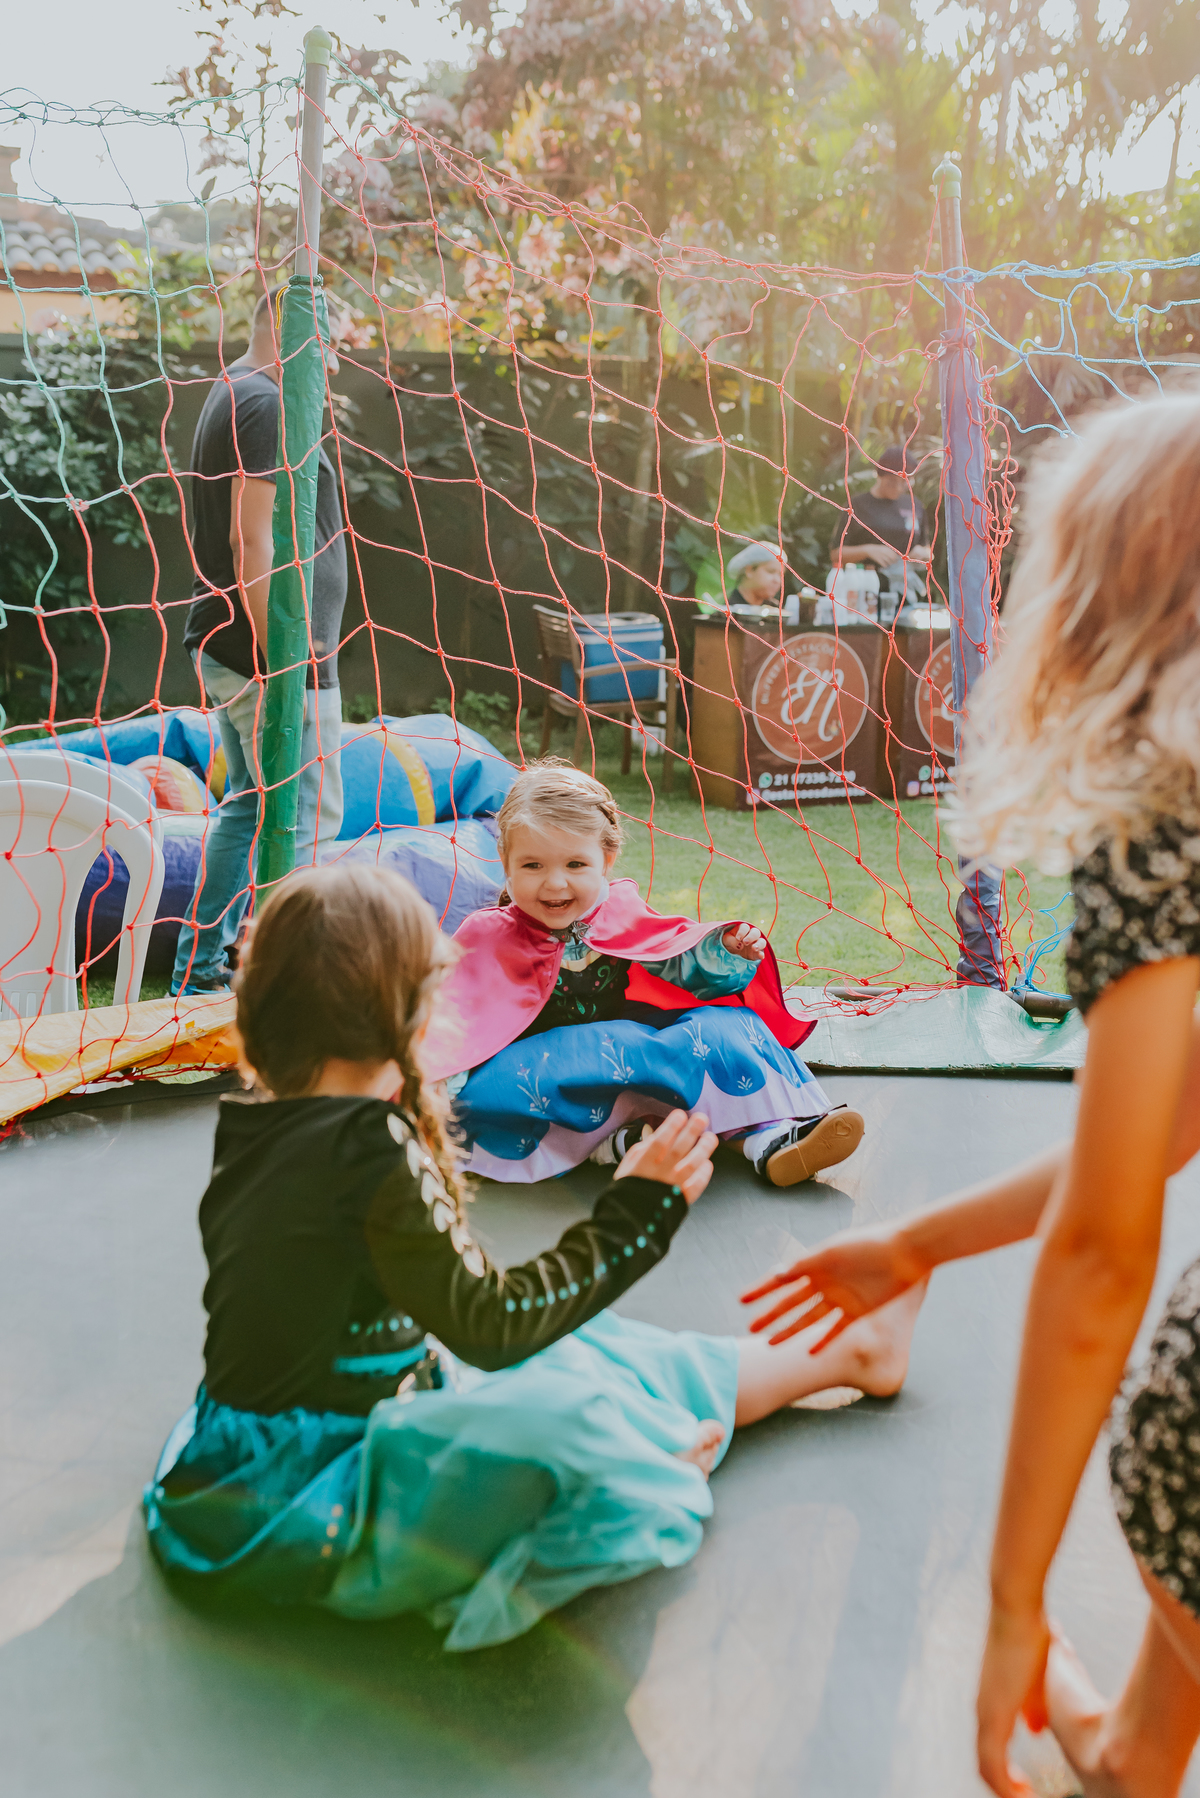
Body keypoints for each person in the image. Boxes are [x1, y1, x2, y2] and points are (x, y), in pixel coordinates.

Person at [744, 395, 1200, 1796]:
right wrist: (913, 1245)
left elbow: (1112, 1240)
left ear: (1094, 605)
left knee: (1181, 1404)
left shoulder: (1170, 826)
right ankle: (1133, 1749)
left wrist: (1009, 1601)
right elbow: (1164, 1136)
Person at [143, 863, 924, 1652]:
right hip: (317, 1494)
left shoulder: (259, 1121)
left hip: (259, 1447)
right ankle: (648, 1463)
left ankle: (851, 1352)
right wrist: (637, 1211)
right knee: (567, 1411)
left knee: (588, 1350)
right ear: (410, 1013)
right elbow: (493, 1326)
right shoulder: (363, 1147)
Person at [422, 760, 866, 1186]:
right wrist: (436, 1085)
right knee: (473, 1097)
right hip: (550, 1074)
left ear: (608, 858)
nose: (554, 884)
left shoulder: (618, 910)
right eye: (532, 865)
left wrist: (726, 953)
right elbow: (453, 1019)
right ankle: (611, 1145)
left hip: (640, 1059)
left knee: (729, 1028)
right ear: (505, 861)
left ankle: (770, 1141)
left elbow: (681, 967)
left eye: (575, 865)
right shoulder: (488, 933)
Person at [170, 284, 351, 996]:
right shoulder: (268, 402)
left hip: (232, 645)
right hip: (270, 656)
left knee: (249, 802)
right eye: (329, 343)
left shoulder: (234, 390)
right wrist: (286, 656)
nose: (333, 365)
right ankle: (283, 986)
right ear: (291, 329)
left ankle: (200, 964)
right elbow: (251, 540)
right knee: (310, 817)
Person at [828, 443, 933, 623]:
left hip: (905, 597)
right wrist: (869, 550)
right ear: (879, 475)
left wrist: (920, 554)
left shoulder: (914, 505)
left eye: (904, 482)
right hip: (863, 596)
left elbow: (928, 551)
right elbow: (835, 554)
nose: (898, 487)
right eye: (892, 481)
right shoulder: (857, 505)